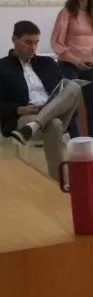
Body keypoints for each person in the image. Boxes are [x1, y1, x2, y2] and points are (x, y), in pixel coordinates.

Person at [1, 21, 83, 180]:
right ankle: (59, 183)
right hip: (23, 116)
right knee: (55, 125)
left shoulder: (48, 63)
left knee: (74, 86)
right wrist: (18, 109)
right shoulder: (2, 67)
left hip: (52, 110)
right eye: (28, 42)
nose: (33, 47)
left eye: (36, 42)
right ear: (14, 39)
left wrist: (50, 107)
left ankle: (35, 125)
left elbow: (62, 91)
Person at [51, 0, 93, 157]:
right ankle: (77, 143)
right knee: (74, 105)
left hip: (89, 64)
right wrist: (76, 60)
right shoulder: (66, 13)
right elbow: (57, 43)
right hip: (70, 64)